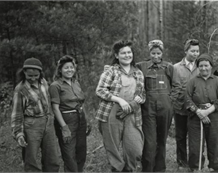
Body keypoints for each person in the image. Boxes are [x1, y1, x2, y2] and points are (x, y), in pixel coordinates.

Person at [96, 40, 146, 172]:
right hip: (111, 112)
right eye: (123, 53)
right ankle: (117, 169)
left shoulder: (138, 73)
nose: (127, 55)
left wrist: (133, 104)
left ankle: (129, 169)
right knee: (112, 147)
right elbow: (100, 90)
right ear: (117, 56)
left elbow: (142, 95)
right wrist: (119, 100)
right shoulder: (111, 71)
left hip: (132, 113)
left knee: (135, 148)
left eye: (129, 52)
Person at [11, 57, 60, 172]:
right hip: (31, 126)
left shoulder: (44, 82)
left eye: (36, 75)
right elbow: (17, 114)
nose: (33, 78)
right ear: (24, 73)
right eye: (30, 76)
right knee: (31, 160)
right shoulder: (20, 89)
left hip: (48, 122)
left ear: (40, 73)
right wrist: (19, 134)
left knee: (52, 158)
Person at [136, 39, 174, 172]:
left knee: (162, 139)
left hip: (166, 108)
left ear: (162, 53)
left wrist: (171, 101)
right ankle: (147, 168)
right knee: (150, 141)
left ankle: (160, 169)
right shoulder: (141, 66)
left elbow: (175, 86)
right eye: (153, 53)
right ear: (149, 52)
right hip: (148, 109)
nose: (156, 56)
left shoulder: (169, 67)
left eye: (158, 53)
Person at [49, 55, 91, 172]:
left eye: (71, 67)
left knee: (81, 151)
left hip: (80, 118)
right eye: (66, 68)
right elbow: (55, 109)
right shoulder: (55, 85)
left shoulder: (76, 83)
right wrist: (64, 127)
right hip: (67, 119)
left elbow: (81, 103)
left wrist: (86, 120)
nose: (69, 70)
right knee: (69, 153)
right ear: (60, 70)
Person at [185, 53, 218, 172]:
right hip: (195, 119)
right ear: (198, 67)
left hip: (215, 119)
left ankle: (215, 168)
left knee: (215, 146)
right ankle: (195, 169)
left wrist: (207, 112)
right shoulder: (192, 82)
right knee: (195, 147)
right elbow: (187, 99)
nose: (203, 68)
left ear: (211, 66)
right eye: (201, 66)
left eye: (206, 65)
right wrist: (199, 112)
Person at [171, 39, 200, 169]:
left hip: (196, 108)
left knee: (195, 137)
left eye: (197, 51)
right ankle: (181, 162)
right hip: (180, 108)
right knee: (180, 136)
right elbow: (172, 87)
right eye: (192, 51)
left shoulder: (201, 67)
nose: (195, 54)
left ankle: (196, 162)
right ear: (186, 51)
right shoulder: (176, 68)